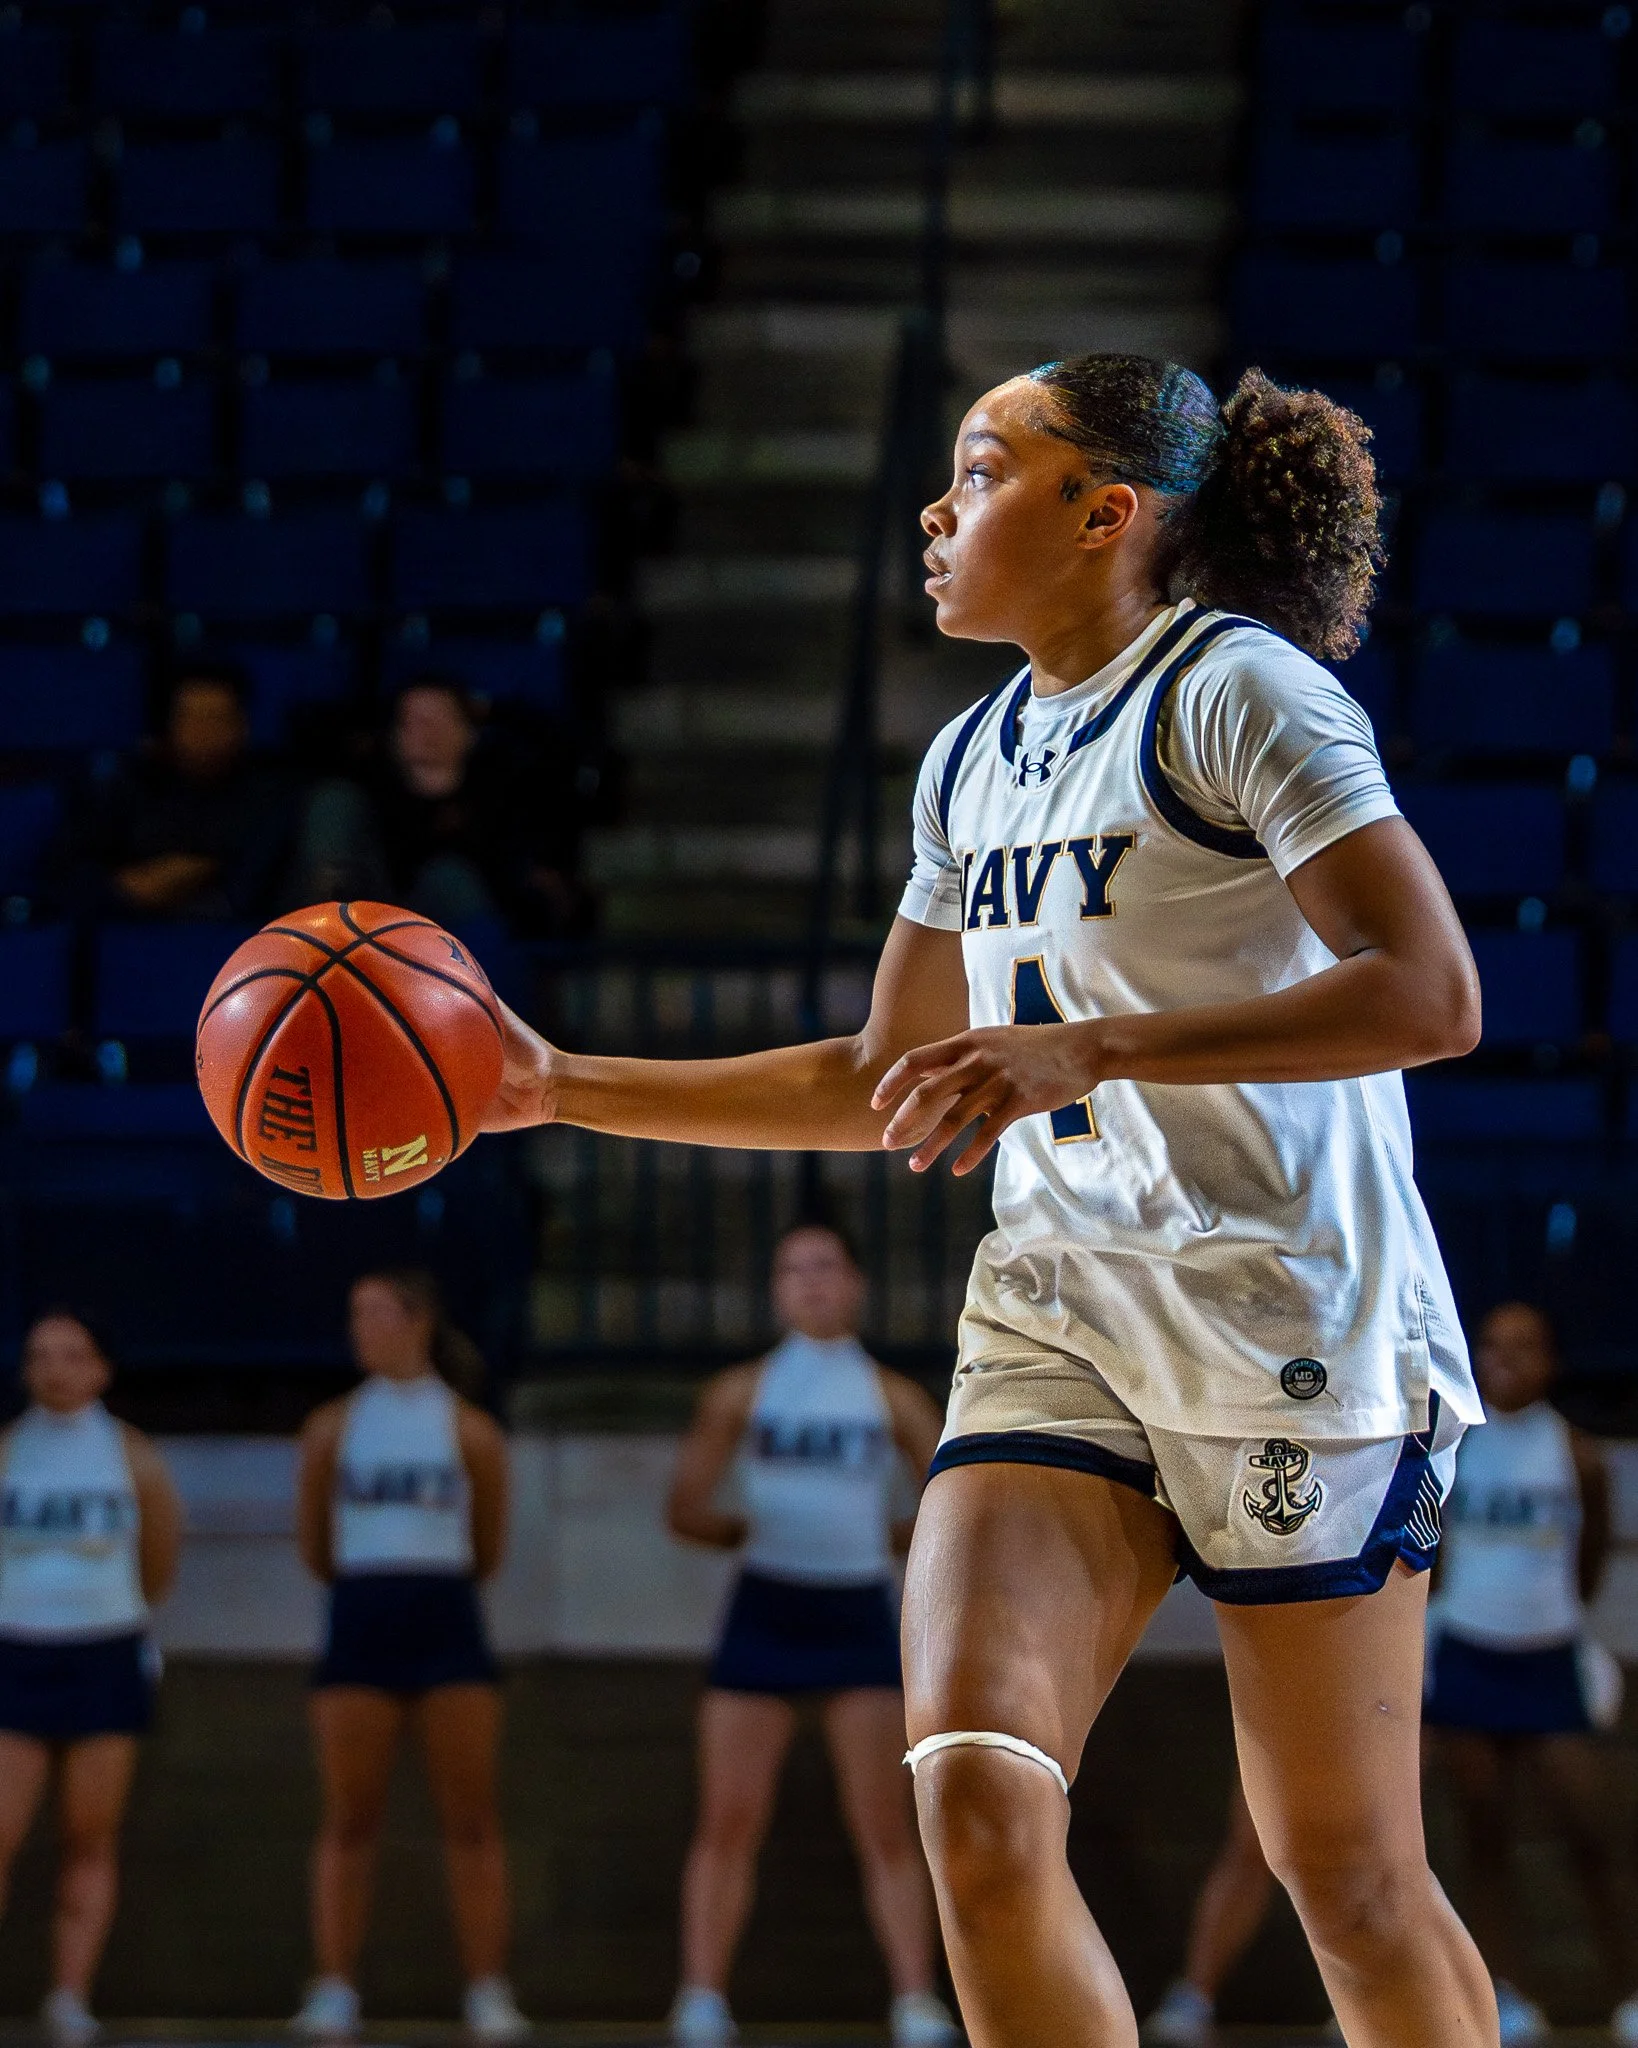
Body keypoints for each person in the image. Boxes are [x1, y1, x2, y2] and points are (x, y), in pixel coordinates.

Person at [480, 352, 1498, 2046]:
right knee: (971, 1796)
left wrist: (1089, 1046)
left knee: (1344, 1874)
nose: (934, 512)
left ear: (1104, 513)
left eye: (979, 469)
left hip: (1292, 1320)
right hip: (1058, 1309)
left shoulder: (1238, 694)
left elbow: (1429, 993)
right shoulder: (967, 759)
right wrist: (554, 1083)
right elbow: (885, 1074)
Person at [666, 1221, 957, 2048]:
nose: (811, 1282)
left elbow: (951, 1502)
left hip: (856, 1608)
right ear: (775, 1288)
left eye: (826, 1266)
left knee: (884, 1824)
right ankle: (701, 1999)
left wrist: (878, 1541)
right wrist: (752, 1532)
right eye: (793, 1269)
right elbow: (684, 1508)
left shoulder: (894, 1397)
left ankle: (915, 2001)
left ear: (857, 1284)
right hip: (766, 1605)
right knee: (728, 1818)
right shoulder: (739, 1392)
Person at [291, 1269, 526, 2043]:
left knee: (472, 1818)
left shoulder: (470, 1430)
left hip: (447, 1622)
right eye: (354, 1313)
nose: (361, 1328)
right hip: (360, 1621)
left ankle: (487, 1989)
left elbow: (487, 1545)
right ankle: (334, 1988)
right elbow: (316, 1545)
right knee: (348, 1818)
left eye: (377, 1313)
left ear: (419, 1320)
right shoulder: (331, 1427)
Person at [1423, 1302, 1633, 2046]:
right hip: (1468, 1655)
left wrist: (1554, 1618)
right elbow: (1432, 1549)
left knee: (1590, 1832)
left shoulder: (1576, 1452)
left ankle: (1627, 1993)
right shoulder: (1454, 1443)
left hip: (1548, 1660)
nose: (1504, 1358)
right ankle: (1505, 1997)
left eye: (1524, 1346)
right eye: (1491, 1344)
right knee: (1485, 1835)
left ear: (1552, 1361)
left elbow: (1592, 1553)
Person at [0, 1310, 182, 2047]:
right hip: (15, 1652)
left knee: (89, 1834)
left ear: (102, 1369)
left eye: (73, 1355)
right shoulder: (6, 1451)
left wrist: (113, 1616)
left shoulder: (132, 1456)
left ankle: (70, 1997)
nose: (55, 1369)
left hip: (103, 1654)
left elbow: (159, 1558)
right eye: (41, 1355)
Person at [294, 676, 586, 935]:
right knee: (333, 802)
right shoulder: (374, 789)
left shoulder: (497, 790)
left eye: (441, 718)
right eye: (415, 721)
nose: (428, 731)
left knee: (450, 879)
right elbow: (309, 736)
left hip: (473, 940)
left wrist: (492, 708)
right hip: (377, 927)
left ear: (470, 730)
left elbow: (560, 748)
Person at [45, 663, 295, 922]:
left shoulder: (271, 796)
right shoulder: (124, 787)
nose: (204, 733)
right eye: (192, 718)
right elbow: (73, 879)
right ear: (168, 726)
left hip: (230, 939)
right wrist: (136, 890)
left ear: (243, 726)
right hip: (124, 933)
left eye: (217, 718)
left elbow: (248, 895)